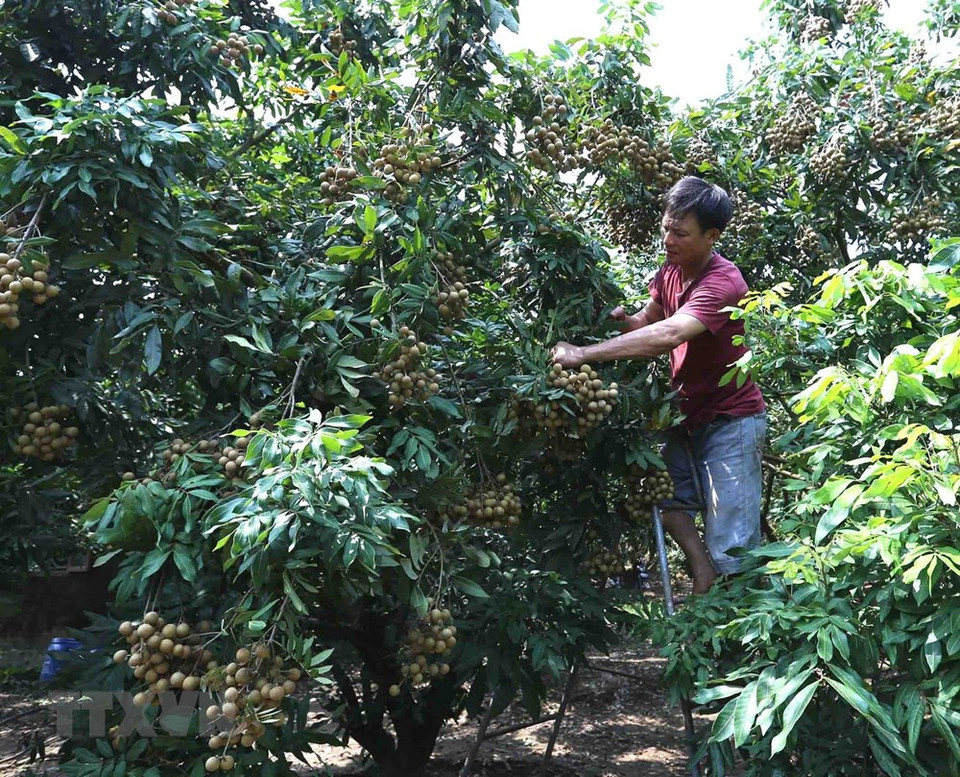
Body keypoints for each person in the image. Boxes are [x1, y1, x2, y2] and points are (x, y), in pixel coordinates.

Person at [550, 177, 766, 594]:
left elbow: (669, 334)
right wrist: (624, 323)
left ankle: (741, 624)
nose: (668, 240)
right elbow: (649, 320)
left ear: (712, 236)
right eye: (666, 228)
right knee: (665, 499)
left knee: (733, 546)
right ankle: (703, 576)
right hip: (685, 416)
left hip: (731, 420)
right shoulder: (670, 269)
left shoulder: (723, 282)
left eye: (680, 233)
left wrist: (583, 353)